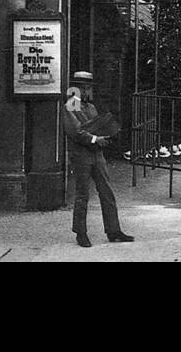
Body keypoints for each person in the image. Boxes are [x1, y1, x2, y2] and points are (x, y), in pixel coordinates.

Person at [62, 70, 134, 247]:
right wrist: (95, 138)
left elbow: (95, 128)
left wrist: (105, 136)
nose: (88, 91)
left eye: (88, 88)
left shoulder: (91, 107)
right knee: (82, 194)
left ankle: (113, 230)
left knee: (107, 192)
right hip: (81, 155)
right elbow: (75, 132)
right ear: (77, 89)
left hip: (96, 154)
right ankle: (81, 233)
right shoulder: (71, 106)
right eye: (85, 88)